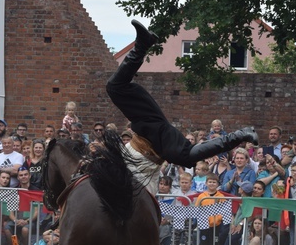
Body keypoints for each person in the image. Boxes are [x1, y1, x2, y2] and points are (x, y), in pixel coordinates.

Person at [105, 20, 257, 169]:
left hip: (153, 131)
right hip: (148, 128)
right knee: (114, 87)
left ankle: (142, 45)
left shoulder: (166, 145)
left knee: (115, 87)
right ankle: (143, 44)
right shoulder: (163, 142)